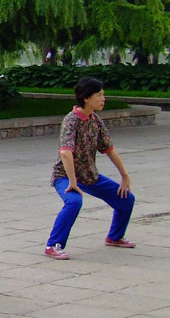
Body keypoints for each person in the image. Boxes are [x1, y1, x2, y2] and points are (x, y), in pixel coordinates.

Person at [44, 77, 136, 260]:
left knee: (126, 199)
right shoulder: (71, 121)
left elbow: (109, 149)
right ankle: (53, 245)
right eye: (99, 95)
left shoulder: (95, 120)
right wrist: (72, 181)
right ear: (86, 98)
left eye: (103, 95)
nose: (103, 99)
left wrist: (125, 176)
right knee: (74, 202)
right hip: (65, 176)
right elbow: (65, 153)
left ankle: (115, 237)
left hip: (89, 176)